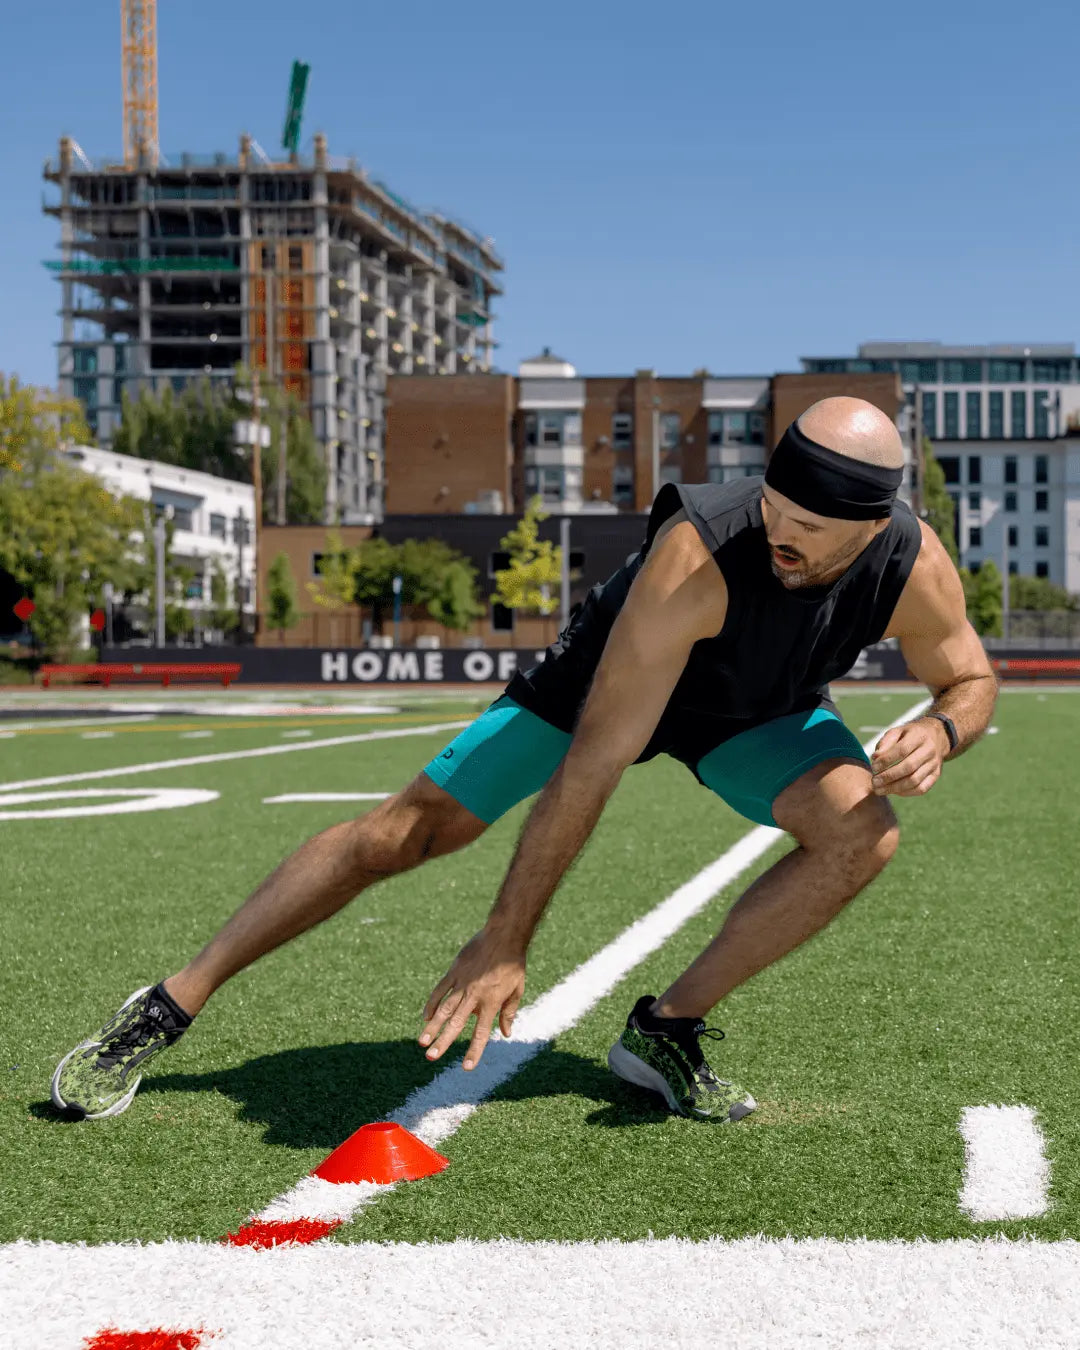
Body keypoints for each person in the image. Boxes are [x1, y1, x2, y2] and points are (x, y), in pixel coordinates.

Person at [52, 397, 997, 1124]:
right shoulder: (700, 555)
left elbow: (970, 679)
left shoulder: (913, 563)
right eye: (775, 511)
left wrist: (946, 729)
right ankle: (173, 1002)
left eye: (811, 534)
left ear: (875, 528)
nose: (782, 538)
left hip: (753, 711)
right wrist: (505, 939)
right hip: (601, 690)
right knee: (400, 836)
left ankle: (664, 1032)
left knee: (861, 835)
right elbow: (593, 761)